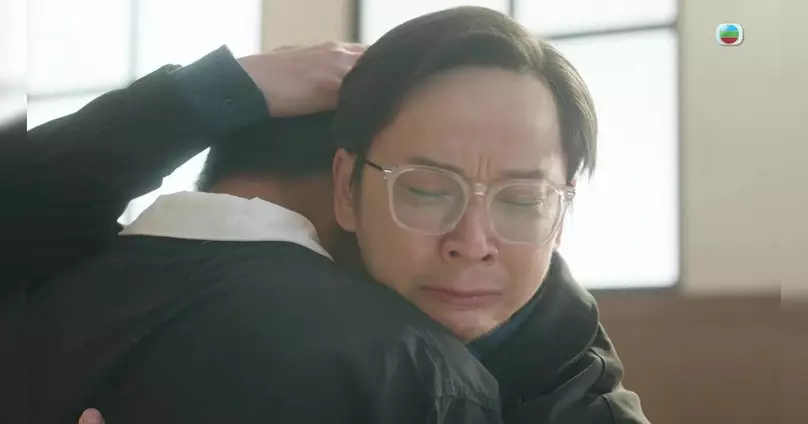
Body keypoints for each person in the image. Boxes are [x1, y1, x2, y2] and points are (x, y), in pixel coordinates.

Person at [27, 7, 650, 424]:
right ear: (346, 191)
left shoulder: (565, 381)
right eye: (425, 190)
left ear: (562, 210)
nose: (472, 241)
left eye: (522, 200)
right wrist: (214, 91)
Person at [20, 44, 502, 424]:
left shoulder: (37, 282)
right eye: (423, 188)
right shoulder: (421, 374)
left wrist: (219, 88)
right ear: (347, 180)